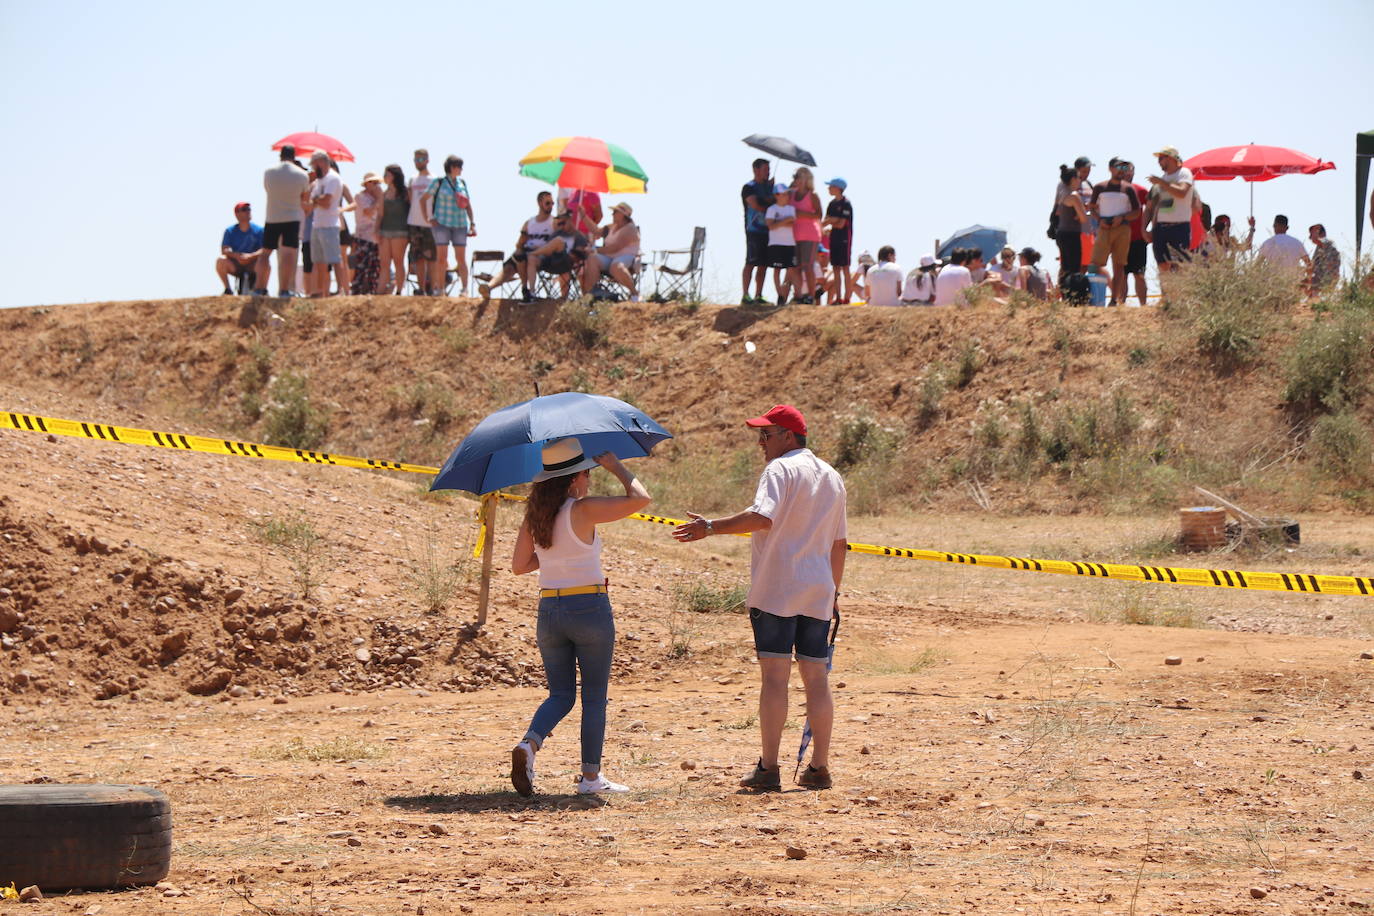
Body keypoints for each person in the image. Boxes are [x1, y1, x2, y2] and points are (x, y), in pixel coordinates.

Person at [672, 404, 847, 792]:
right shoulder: (832, 476)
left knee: (775, 678)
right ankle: (819, 768)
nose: (760, 443)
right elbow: (840, 544)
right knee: (816, 679)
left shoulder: (779, 470)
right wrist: (832, 592)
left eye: (766, 435)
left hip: (777, 589)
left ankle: (769, 768)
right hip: (817, 588)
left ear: (787, 436)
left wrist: (710, 527)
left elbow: (762, 517)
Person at [510, 440, 651, 797]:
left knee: (559, 694)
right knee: (593, 697)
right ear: (574, 479)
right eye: (587, 473)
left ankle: (529, 744)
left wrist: (555, 558)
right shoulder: (583, 509)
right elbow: (640, 499)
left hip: (550, 610)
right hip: (589, 606)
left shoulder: (535, 517)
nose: (589, 480)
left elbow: (519, 566)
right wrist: (617, 467)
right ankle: (590, 779)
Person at [479, 191, 555, 304]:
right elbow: (519, 243)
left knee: (523, 257)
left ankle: (525, 289)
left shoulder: (553, 222)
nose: (551, 206)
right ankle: (489, 287)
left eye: (552, 203)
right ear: (540, 203)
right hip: (525, 252)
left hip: (542, 255)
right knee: (511, 264)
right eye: (548, 203)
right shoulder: (530, 223)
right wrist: (521, 244)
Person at [1089, 159, 1142, 306]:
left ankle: (1114, 299)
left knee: (1119, 265)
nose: (1121, 170)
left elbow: (1137, 211)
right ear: (1111, 168)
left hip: (1122, 228)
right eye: (1119, 167)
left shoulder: (1128, 189)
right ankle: (1093, 297)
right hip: (1104, 227)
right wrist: (1099, 220)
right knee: (1095, 263)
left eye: (1124, 167)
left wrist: (1123, 217)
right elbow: (1092, 207)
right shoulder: (1100, 187)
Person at [259, 145, 309, 297]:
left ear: (280, 155)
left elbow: (267, 190)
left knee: (265, 253)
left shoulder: (269, 172)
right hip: (292, 218)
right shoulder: (302, 175)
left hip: (272, 216)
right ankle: (284, 289)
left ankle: (259, 287)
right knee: (289, 254)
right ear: (294, 157)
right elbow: (304, 199)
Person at [424, 155, 475, 297]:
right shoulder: (438, 182)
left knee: (461, 258)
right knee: (441, 258)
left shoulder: (462, 183)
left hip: (459, 223)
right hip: (442, 223)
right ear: (452, 167)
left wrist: (472, 223)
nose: (461, 170)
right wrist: (429, 217)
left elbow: (468, 204)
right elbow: (424, 199)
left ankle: (464, 289)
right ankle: (440, 289)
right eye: (459, 167)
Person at [1143, 146, 1195, 273]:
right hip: (1161, 228)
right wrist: (1145, 229)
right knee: (1162, 265)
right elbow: (1152, 207)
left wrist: (1161, 182)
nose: (1159, 162)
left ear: (1170, 158)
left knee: (1180, 265)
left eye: (1161, 158)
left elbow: (1182, 192)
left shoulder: (1184, 173)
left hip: (1179, 226)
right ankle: (1167, 293)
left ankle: (1180, 292)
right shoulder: (1163, 178)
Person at [525, 210, 590, 302]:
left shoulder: (578, 236)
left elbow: (582, 253)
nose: (561, 226)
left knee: (558, 241)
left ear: (570, 221)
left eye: (563, 223)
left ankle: (534, 253)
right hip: (550, 261)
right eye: (559, 224)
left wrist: (575, 253)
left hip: (565, 262)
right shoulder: (556, 233)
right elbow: (548, 248)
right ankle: (531, 292)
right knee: (531, 259)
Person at [306, 151, 345, 297]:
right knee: (319, 262)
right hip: (317, 224)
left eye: (314, 164)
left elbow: (326, 201)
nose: (313, 167)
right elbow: (310, 204)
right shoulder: (318, 181)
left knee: (335, 259)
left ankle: (341, 290)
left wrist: (316, 200)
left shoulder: (333, 178)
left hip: (330, 224)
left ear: (321, 162)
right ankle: (323, 292)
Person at [584, 202, 640, 300]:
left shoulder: (630, 229)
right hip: (610, 258)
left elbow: (615, 248)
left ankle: (634, 293)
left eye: (615, 212)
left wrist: (594, 250)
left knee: (616, 266)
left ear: (623, 215)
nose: (612, 214)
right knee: (592, 259)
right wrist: (583, 216)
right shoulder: (612, 226)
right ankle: (591, 294)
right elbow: (596, 231)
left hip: (627, 258)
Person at [741, 159, 775, 305]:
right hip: (753, 230)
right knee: (751, 262)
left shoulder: (769, 188)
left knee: (764, 264)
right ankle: (745, 295)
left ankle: (758, 294)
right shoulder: (749, 187)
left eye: (769, 169)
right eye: (765, 169)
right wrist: (771, 199)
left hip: (769, 230)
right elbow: (757, 205)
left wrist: (772, 192)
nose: (768, 172)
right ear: (756, 169)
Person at [789, 168, 823, 304]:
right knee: (794, 266)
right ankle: (799, 295)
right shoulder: (791, 194)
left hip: (810, 234)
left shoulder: (812, 195)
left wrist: (800, 214)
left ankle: (811, 295)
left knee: (808, 266)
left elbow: (819, 214)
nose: (795, 179)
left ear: (805, 179)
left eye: (797, 177)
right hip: (794, 234)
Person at [347, 172, 383, 295]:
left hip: (376, 238)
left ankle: (372, 292)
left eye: (377, 183)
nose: (377, 186)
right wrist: (379, 199)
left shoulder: (377, 198)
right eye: (374, 183)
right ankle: (357, 292)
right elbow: (369, 212)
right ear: (367, 184)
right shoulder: (360, 197)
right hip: (363, 237)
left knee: (374, 268)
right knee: (361, 268)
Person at [216, 202, 265, 294]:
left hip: (253, 264)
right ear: (237, 214)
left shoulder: (259, 230)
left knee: (265, 262)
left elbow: (265, 249)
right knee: (220, 261)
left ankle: (261, 289)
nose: (248, 212)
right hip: (236, 264)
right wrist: (236, 256)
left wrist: (250, 256)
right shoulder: (230, 231)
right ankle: (228, 290)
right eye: (244, 210)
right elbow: (224, 250)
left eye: (248, 209)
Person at [1054, 166, 1090, 286]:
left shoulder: (1062, 192)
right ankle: (1073, 295)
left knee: (1065, 267)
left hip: (1061, 232)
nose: (1080, 180)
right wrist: (1082, 212)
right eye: (1078, 178)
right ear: (1073, 179)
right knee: (1074, 268)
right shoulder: (1074, 195)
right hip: (1072, 234)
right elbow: (1084, 218)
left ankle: (1064, 294)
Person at [377, 165, 410, 294]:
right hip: (385, 231)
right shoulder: (383, 194)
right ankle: (380, 291)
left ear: (394, 176)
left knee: (398, 261)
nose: (385, 177)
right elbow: (380, 214)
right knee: (384, 263)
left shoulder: (405, 193)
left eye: (387, 174)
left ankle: (399, 290)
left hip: (400, 232)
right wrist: (376, 230)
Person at [407, 149, 436, 295]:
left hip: (430, 223)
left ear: (427, 160)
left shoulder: (434, 179)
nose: (418, 162)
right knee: (418, 258)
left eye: (421, 159)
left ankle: (432, 288)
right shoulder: (412, 179)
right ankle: (421, 288)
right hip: (414, 222)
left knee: (431, 257)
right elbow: (410, 198)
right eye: (416, 160)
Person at [765, 183, 799, 306]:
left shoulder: (791, 209)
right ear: (776, 195)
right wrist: (785, 220)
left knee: (792, 269)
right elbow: (771, 226)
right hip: (776, 243)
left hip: (790, 243)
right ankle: (780, 295)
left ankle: (796, 295)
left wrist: (779, 222)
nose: (786, 196)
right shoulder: (772, 209)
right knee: (777, 270)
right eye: (783, 194)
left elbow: (792, 224)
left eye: (787, 194)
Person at [822, 177, 853, 304]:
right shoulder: (831, 204)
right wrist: (833, 220)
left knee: (845, 268)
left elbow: (841, 224)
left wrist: (832, 221)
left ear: (838, 188)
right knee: (835, 268)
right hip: (833, 238)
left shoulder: (846, 203)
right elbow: (826, 221)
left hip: (844, 238)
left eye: (831, 186)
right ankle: (838, 297)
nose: (828, 188)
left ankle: (847, 298)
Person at [1308, 223, 1340, 293]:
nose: (1309, 238)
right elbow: (1313, 266)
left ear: (1317, 231)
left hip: (1326, 283)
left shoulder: (1327, 245)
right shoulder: (1319, 247)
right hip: (1319, 283)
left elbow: (1330, 267)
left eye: (1311, 234)